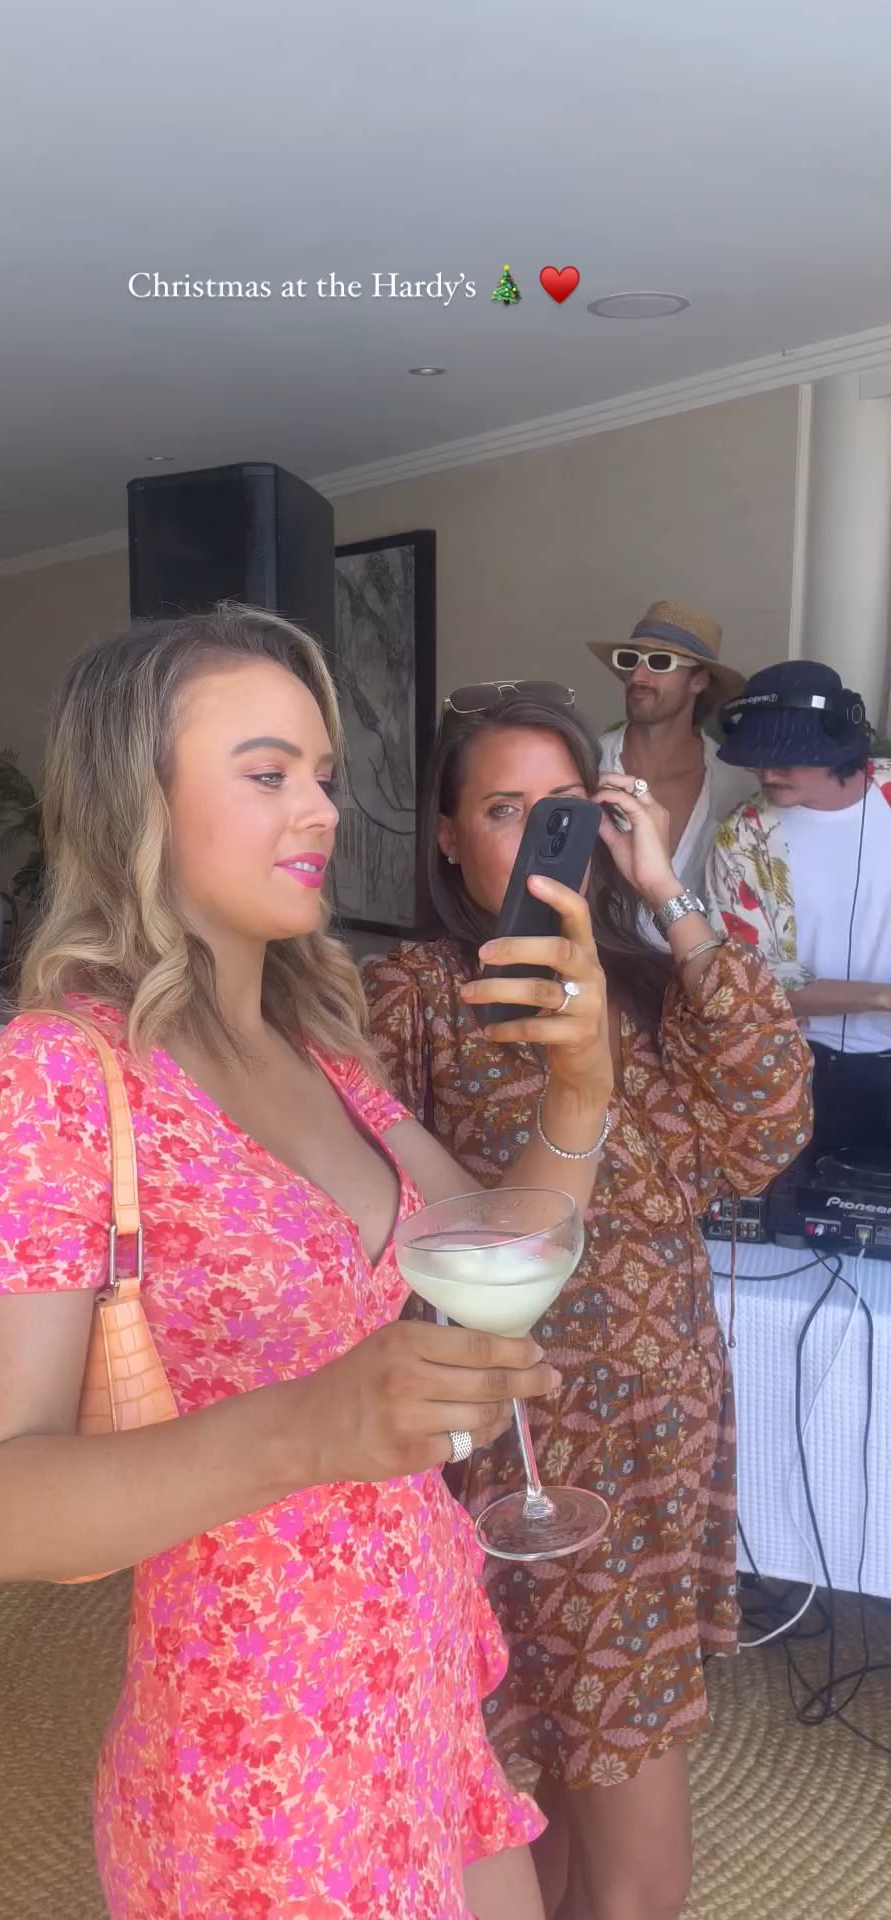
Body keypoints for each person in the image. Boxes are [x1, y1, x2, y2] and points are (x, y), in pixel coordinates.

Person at [0, 606, 616, 1920]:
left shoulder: (323, 1054)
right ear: (137, 804)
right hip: (259, 1756)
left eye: (324, 775)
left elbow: (501, 1245)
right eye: (267, 774)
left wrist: (580, 1087)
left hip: (418, 1676)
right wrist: (312, 1425)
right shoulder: (61, 1078)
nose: (321, 812)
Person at [362, 681, 812, 1920]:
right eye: (504, 810)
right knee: (559, 1800)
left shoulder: (649, 983)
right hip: (514, 1444)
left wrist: (666, 892)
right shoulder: (414, 993)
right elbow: (370, 1210)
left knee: (601, 1800)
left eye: (566, 810)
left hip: (659, 1431)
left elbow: (771, 1120)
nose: (538, 840)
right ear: (448, 835)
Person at [707, 659, 891, 1155]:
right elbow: (753, 987)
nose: (768, 772)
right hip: (798, 1066)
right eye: (758, 756)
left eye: (787, 756)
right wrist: (881, 997)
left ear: (840, 740)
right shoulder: (742, 839)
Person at [592, 601, 755, 943]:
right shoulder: (588, 764)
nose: (638, 677)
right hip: (598, 968)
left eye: (660, 662)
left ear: (699, 680)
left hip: (698, 967)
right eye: (631, 660)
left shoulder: (736, 786)